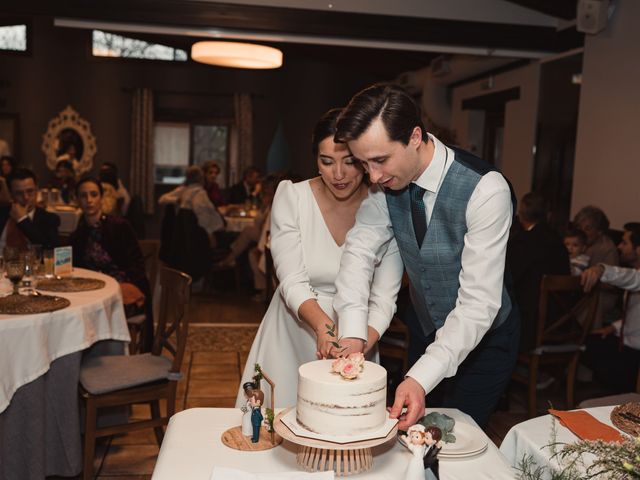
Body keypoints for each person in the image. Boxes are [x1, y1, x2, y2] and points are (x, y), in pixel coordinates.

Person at [333, 83, 519, 429]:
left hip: (485, 341)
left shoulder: (486, 189)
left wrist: (421, 377)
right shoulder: (383, 185)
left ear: (415, 136)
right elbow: (359, 251)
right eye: (363, 163)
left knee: (456, 440)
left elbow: (479, 304)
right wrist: (353, 334)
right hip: (426, 328)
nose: (372, 176)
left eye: (380, 160)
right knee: (416, 438)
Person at [234, 109, 403, 409]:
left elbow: (384, 298)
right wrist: (323, 327)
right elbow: (290, 278)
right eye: (327, 161)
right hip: (294, 328)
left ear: (365, 159)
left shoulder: (386, 207)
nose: (338, 174)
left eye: (349, 162)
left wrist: (358, 343)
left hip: (359, 337)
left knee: (345, 432)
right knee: (276, 428)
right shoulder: (292, 197)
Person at [70, 177, 154, 351]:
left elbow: (137, 263)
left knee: (98, 310)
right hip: (93, 290)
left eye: (94, 194)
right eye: (83, 196)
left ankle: (110, 357)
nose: (89, 200)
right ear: (77, 200)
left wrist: (119, 283)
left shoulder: (119, 226)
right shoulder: (78, 234)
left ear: (101, 198)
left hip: (124, 285)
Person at [580, 223, 640, 392]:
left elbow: (632, 278)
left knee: (590, 348)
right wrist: (612, 327)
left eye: (625, 243)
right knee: (588, 340)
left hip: (634, 351)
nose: (620, 246)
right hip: (625, 341)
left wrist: (602, 269)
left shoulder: (636, 275)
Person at [507, 192, 569, 352]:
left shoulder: (523, 242)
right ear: (547, 215)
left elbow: (509, 279)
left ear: (520, 215)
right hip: (558, 322)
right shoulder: (558, 241)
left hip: (530, 326)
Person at [573, 206, 620, 328]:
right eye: (579, 227)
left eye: (588, 228)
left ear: (599, 231)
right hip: (579, 289)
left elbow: (611, 284)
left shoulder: (607, 248)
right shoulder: (577, 243)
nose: (582, 232)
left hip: (601, 295)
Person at [159, 166, 224, 248]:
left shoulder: (213, 188)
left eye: (215, 173)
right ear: (202, 177)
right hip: (198, 232)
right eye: (210, 173)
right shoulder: (191, 191)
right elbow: (203, 216)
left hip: (193, 230)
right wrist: (178, 200)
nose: (213, 175)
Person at [0, 168, 60, 251]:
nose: (26, 197)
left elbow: (49, 250)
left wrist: (22, 220)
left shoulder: (49, 219)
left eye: (30, 191)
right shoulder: (2, 213)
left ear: (37, 189)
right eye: (19, 193)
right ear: (11, 194)